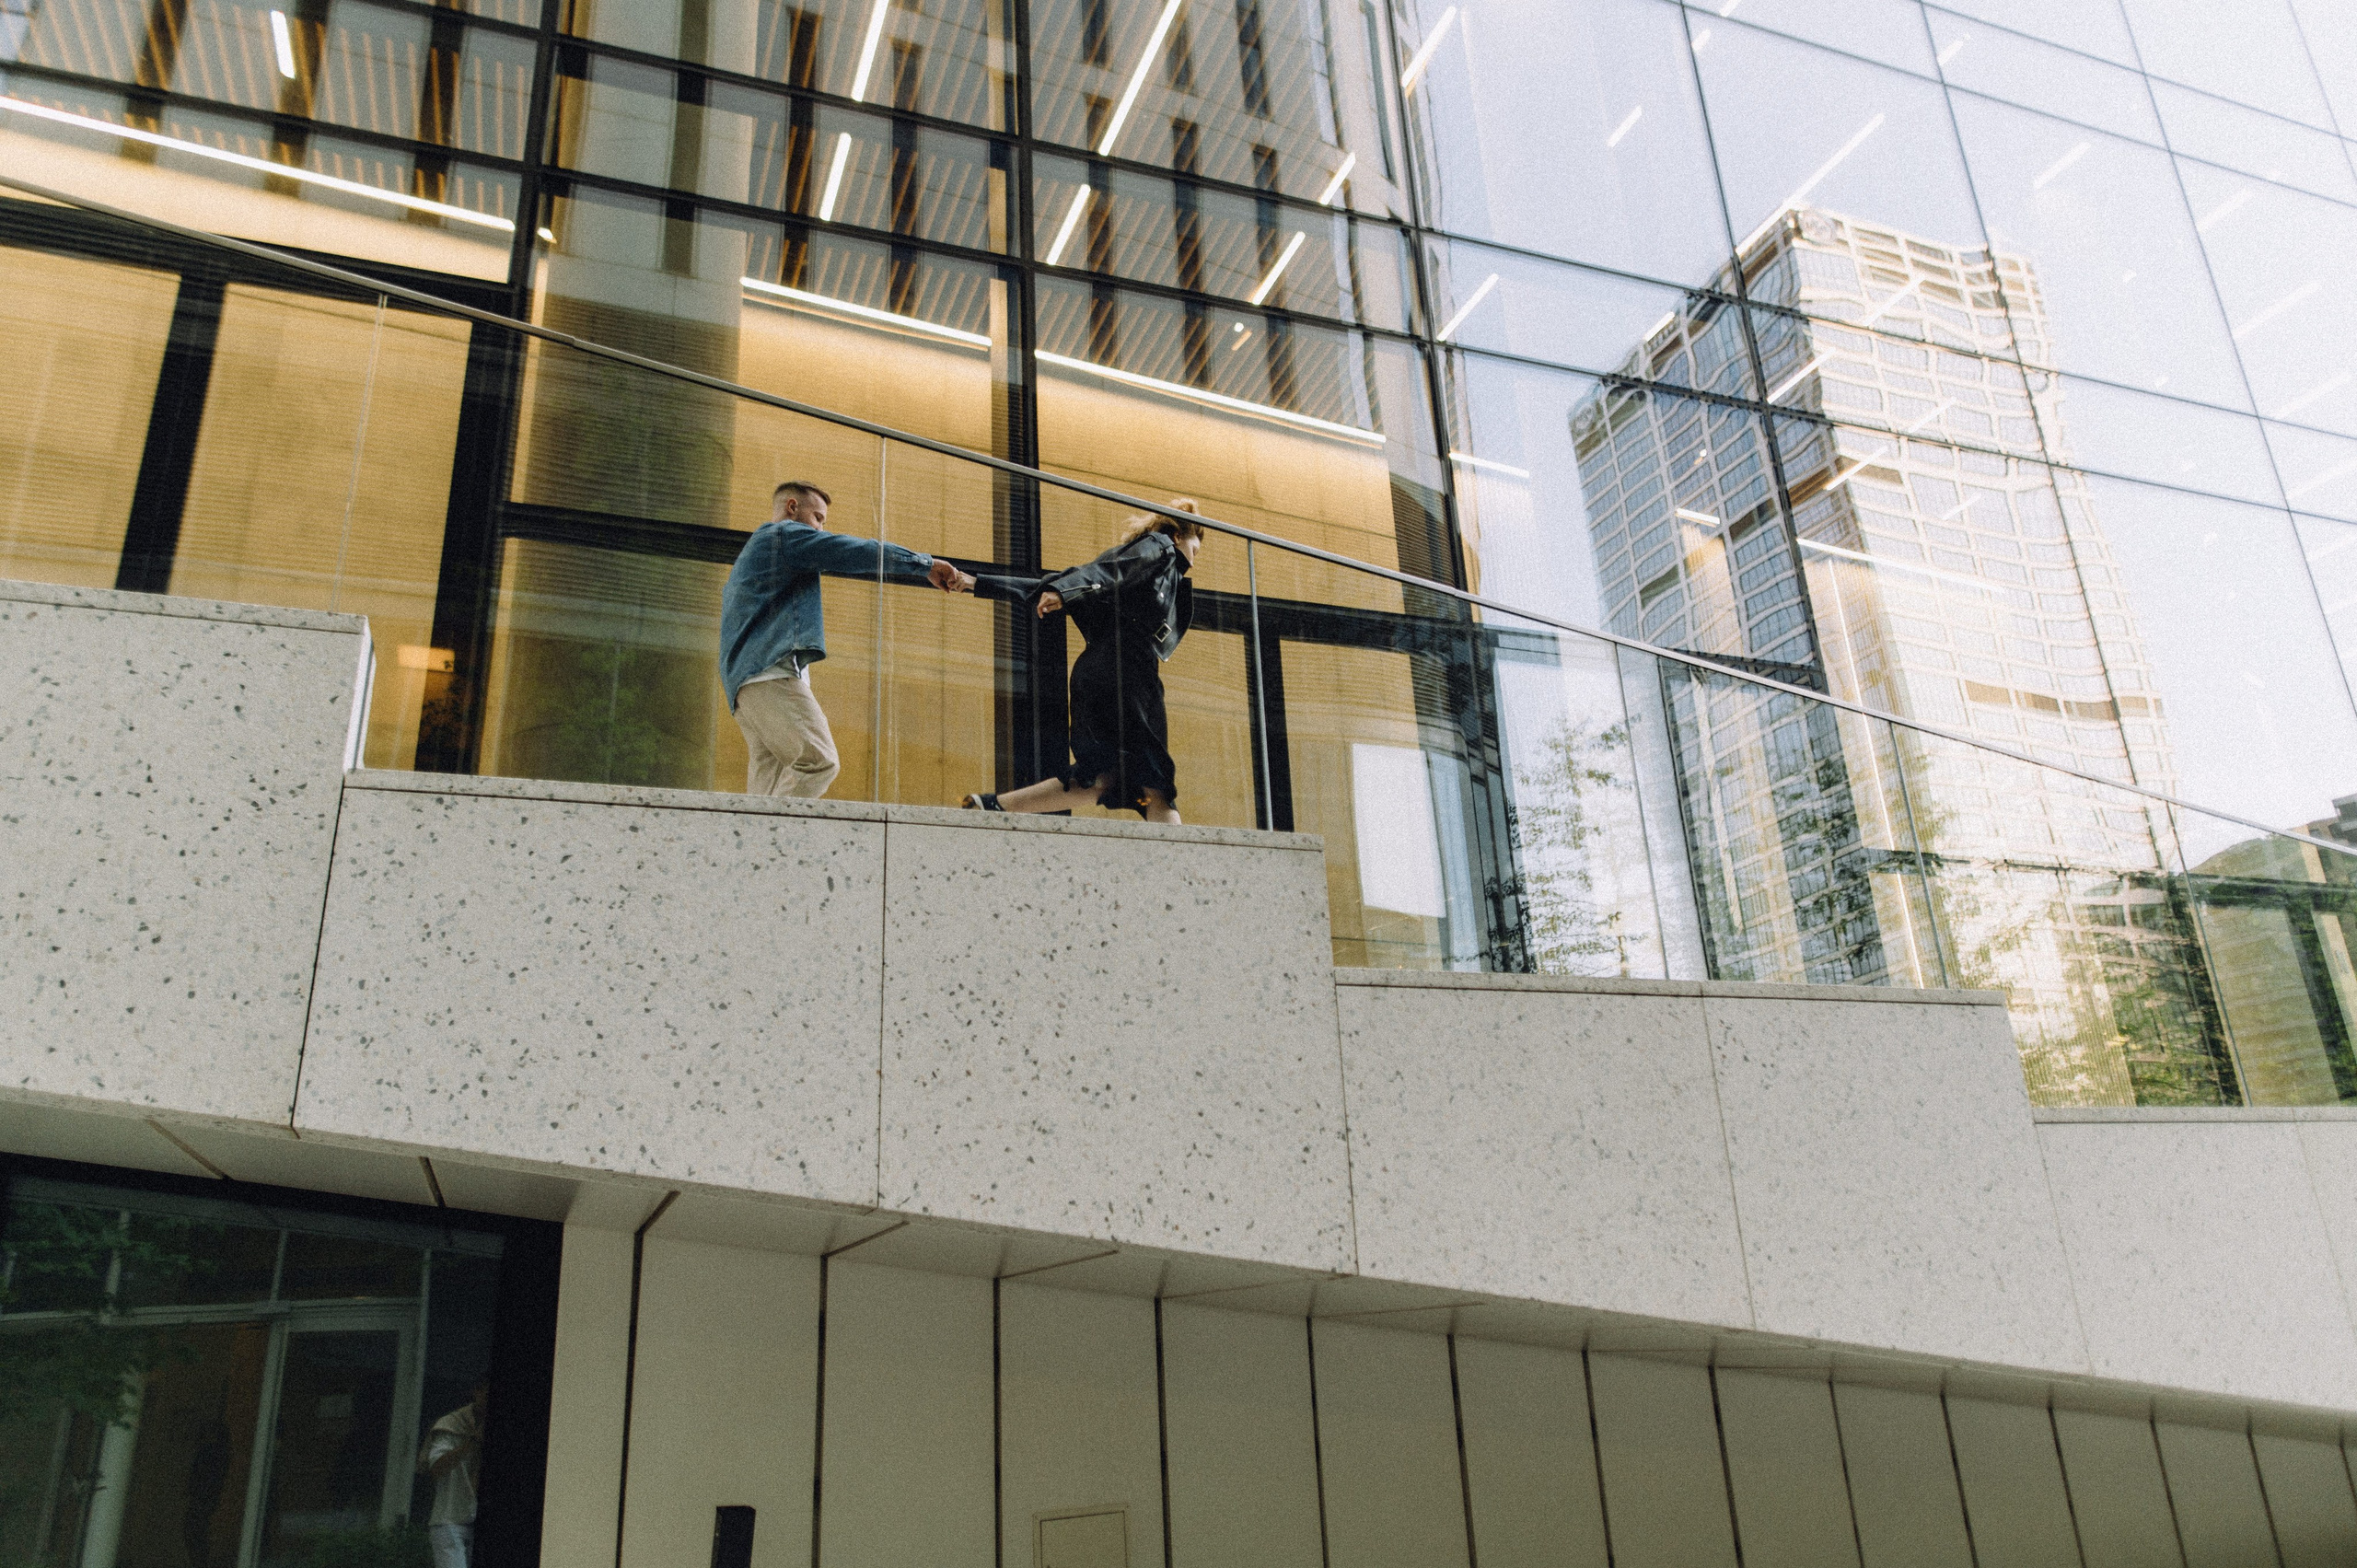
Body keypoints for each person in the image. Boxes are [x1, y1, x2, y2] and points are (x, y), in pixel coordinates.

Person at [721, 480, 971, 797]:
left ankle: (755, 844)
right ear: (792, 508)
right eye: (818, 518)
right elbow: (853, 551)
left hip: (745, 687)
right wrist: (923, 564)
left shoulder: (760, 553)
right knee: (818, 762)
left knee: (766, 791)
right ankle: (777, 843)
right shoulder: (783, 536)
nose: (821, 530)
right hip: (768, 674)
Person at [962, 500, 1206, 824]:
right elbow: (1103, 572)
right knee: (1156, 783)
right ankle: (1182, 871)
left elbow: (1064, 581)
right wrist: (1064, 592)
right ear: (1177, 536)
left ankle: (992, 805)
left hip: (1099, 671)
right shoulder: (1159, 548)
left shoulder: (1129, 577)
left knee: (1103, 777)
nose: (1193, 559)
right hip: (1127, 672)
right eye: (1195, 548)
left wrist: (976, 582)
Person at [418, 1381, 487, 1568]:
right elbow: (436, 1468)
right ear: (477, 1392)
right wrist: (472, 1442)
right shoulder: (451, 1425)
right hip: (451, 1520)